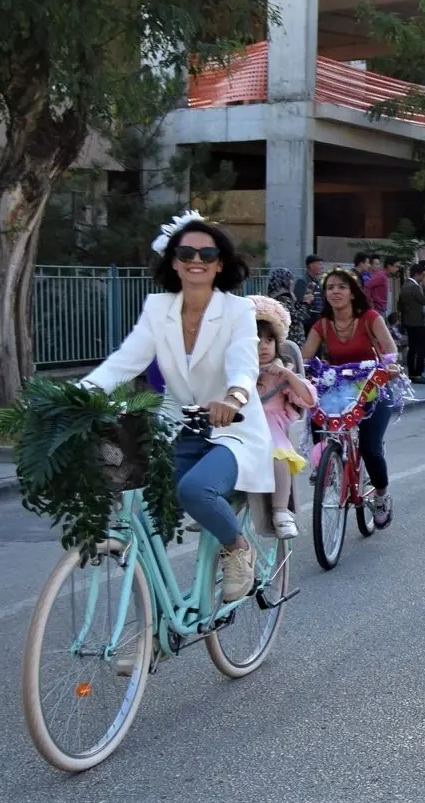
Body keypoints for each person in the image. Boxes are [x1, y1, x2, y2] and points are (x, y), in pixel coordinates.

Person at [81, 211, 271, 601]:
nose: (196, 260)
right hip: (178, 427)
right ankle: (151, 631)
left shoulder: (237, 311)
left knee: (195, 490)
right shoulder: (158, 310)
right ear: (174, 261)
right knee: (145, 515)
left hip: (232, 428)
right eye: (186, 252)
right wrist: (76, 395)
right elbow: (125, 361)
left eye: (207, 253)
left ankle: (238, 548)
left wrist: (232, 397)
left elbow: (243, 363)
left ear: (220, 263)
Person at [302, 268, 399, 528]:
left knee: (370, 446)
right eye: (330, 287)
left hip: (373, 389)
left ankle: (380, 495)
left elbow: (390, 350)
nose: (335, 291)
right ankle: (324, 462)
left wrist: (389, 366)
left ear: (353, 293)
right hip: (337, 389)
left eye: (341, 287)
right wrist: (294, 372)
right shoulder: (322, 324)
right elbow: (305, 357)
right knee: (315, 412)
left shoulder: (370, 318)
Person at [247, 295, 317, 540]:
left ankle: (280, 511)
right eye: (256, 341)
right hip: (242, 426)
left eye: (269, 340)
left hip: (271, 426)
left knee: (278, 456)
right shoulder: (238, 370)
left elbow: (308, 400)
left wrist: (290, 376)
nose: (264, 347)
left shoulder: (281, 371)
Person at [398, 263, 425, 383]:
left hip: (408, 321)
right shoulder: (415, 287)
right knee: (422, 348)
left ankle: (412, 373)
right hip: (418, 322)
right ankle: (417, 373)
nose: (424, 278)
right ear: (417, 274)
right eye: (423, 275)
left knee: (412, 348)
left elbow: (399, 305)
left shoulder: (404, 286)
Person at [268, 267, 309, 348]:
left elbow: (294, 310)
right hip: (292, 340)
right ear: (283, 281)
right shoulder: (282, 298)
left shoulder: (283, 297)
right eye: (289, 279)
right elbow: (296, 318)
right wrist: (306, 303)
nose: (291, 282)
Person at [292, 254, 324, 334]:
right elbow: (298, 302)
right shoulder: (302, 281)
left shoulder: (317, 281)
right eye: (319, 264)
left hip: (317, 321)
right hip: (308, 324)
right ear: (311, 265)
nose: (321, 267)